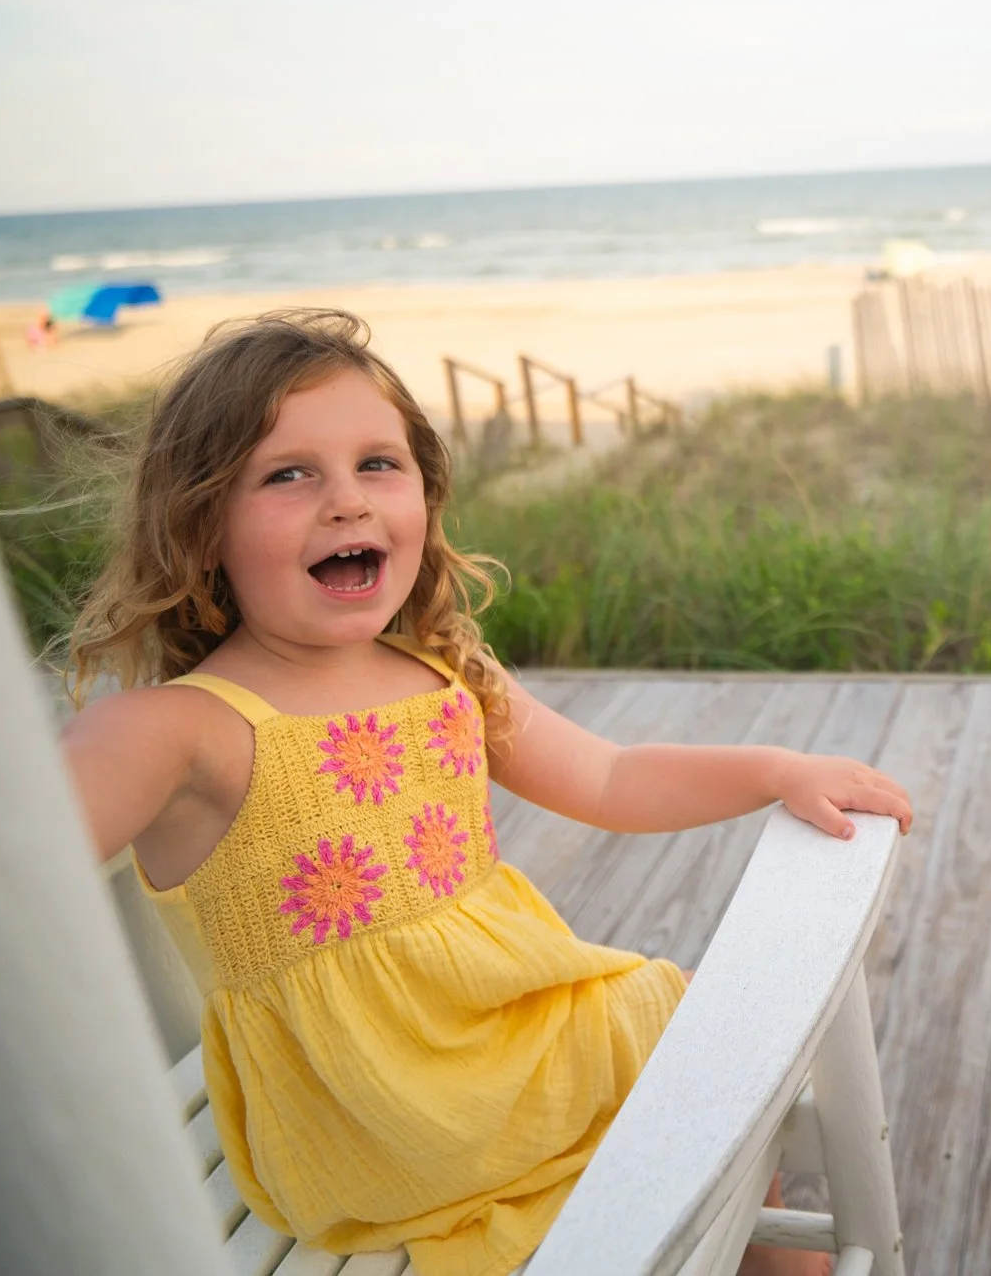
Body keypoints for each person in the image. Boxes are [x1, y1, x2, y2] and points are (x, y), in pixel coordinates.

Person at [59, 308, 912, 1276]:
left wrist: (772, 770)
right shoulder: (181, 729)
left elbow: (611, 776)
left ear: (425, 495)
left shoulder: (441, 669)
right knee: (679, 1042)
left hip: (501, 1025)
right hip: (378, 1106)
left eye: (378, 463)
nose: (346, 501)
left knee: (682, 1033)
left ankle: (764, 1258)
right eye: (288, 474)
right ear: (201, 523)